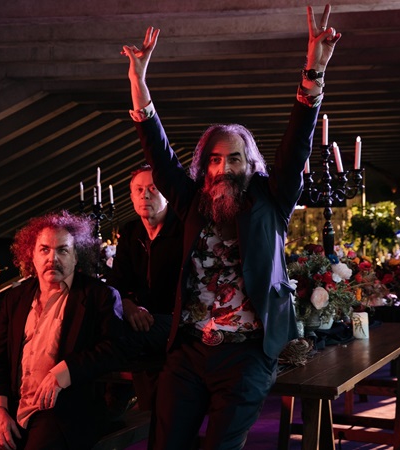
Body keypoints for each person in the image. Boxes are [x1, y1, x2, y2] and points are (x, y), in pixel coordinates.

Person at [121, 4, 341, 449]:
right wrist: (139, 82)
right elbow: (159, 153)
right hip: (188, 350)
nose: (224, 168)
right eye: (215, 160)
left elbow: (296, 146)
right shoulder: (191, 201)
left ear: (249, 163)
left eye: (234, 158)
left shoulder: (271, 199)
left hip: (247, 352)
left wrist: (313, 72)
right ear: (205, 166)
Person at [0, 210, 125, 450]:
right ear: (31, 255)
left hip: (65, 408)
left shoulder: (100, 296)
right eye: (44, 250)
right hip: (14, 402)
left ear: (77, 256)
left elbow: (115, 349)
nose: (52, 258)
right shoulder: (16, 298)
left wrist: (64, 372)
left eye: (62, 250)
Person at [106, 164, 183, 412]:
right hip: (139, 318)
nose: (145, 195)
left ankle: (124, 407)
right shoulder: (131, 232)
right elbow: (116, 283)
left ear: (167, 194)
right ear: (131, 196)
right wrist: (128, 306)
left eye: (152, 188)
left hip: (176, 320)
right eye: (139, 190)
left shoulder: (183, 230)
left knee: (122, 338)